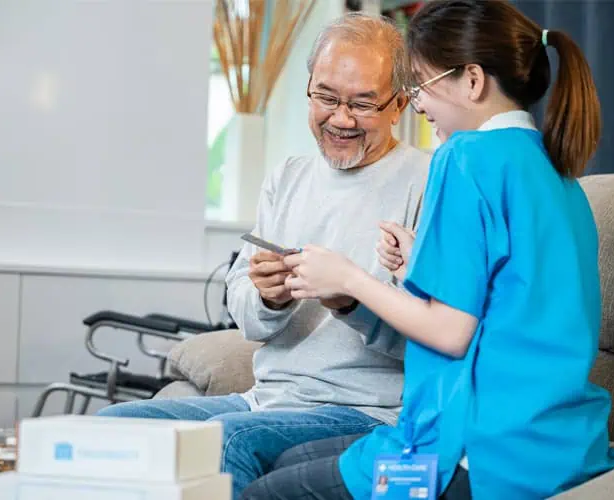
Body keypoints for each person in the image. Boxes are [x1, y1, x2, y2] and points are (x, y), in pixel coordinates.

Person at [239, 0, 614, 499]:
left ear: (472, 81)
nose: (416, 105)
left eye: (420, 85)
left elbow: (450, 333)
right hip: (558, 449)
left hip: (471, 456)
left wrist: (349, 279)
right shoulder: (557, 173)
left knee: (263, 493)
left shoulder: (464, 156)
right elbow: (512, 298)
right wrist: (422, 260)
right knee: (290, 459)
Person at [96, 13, 431, 498]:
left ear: (399, 104)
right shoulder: (288, 178)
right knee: (111, 426)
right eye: (326, 98)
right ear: (309, 89)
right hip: (267, 400)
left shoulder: (428, 183)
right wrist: (268, 299)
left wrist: (352, 303)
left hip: (368, 410)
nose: (340, 118)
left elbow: (437, 331)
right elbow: (247, 315)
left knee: (230, 442)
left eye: (362, 104)